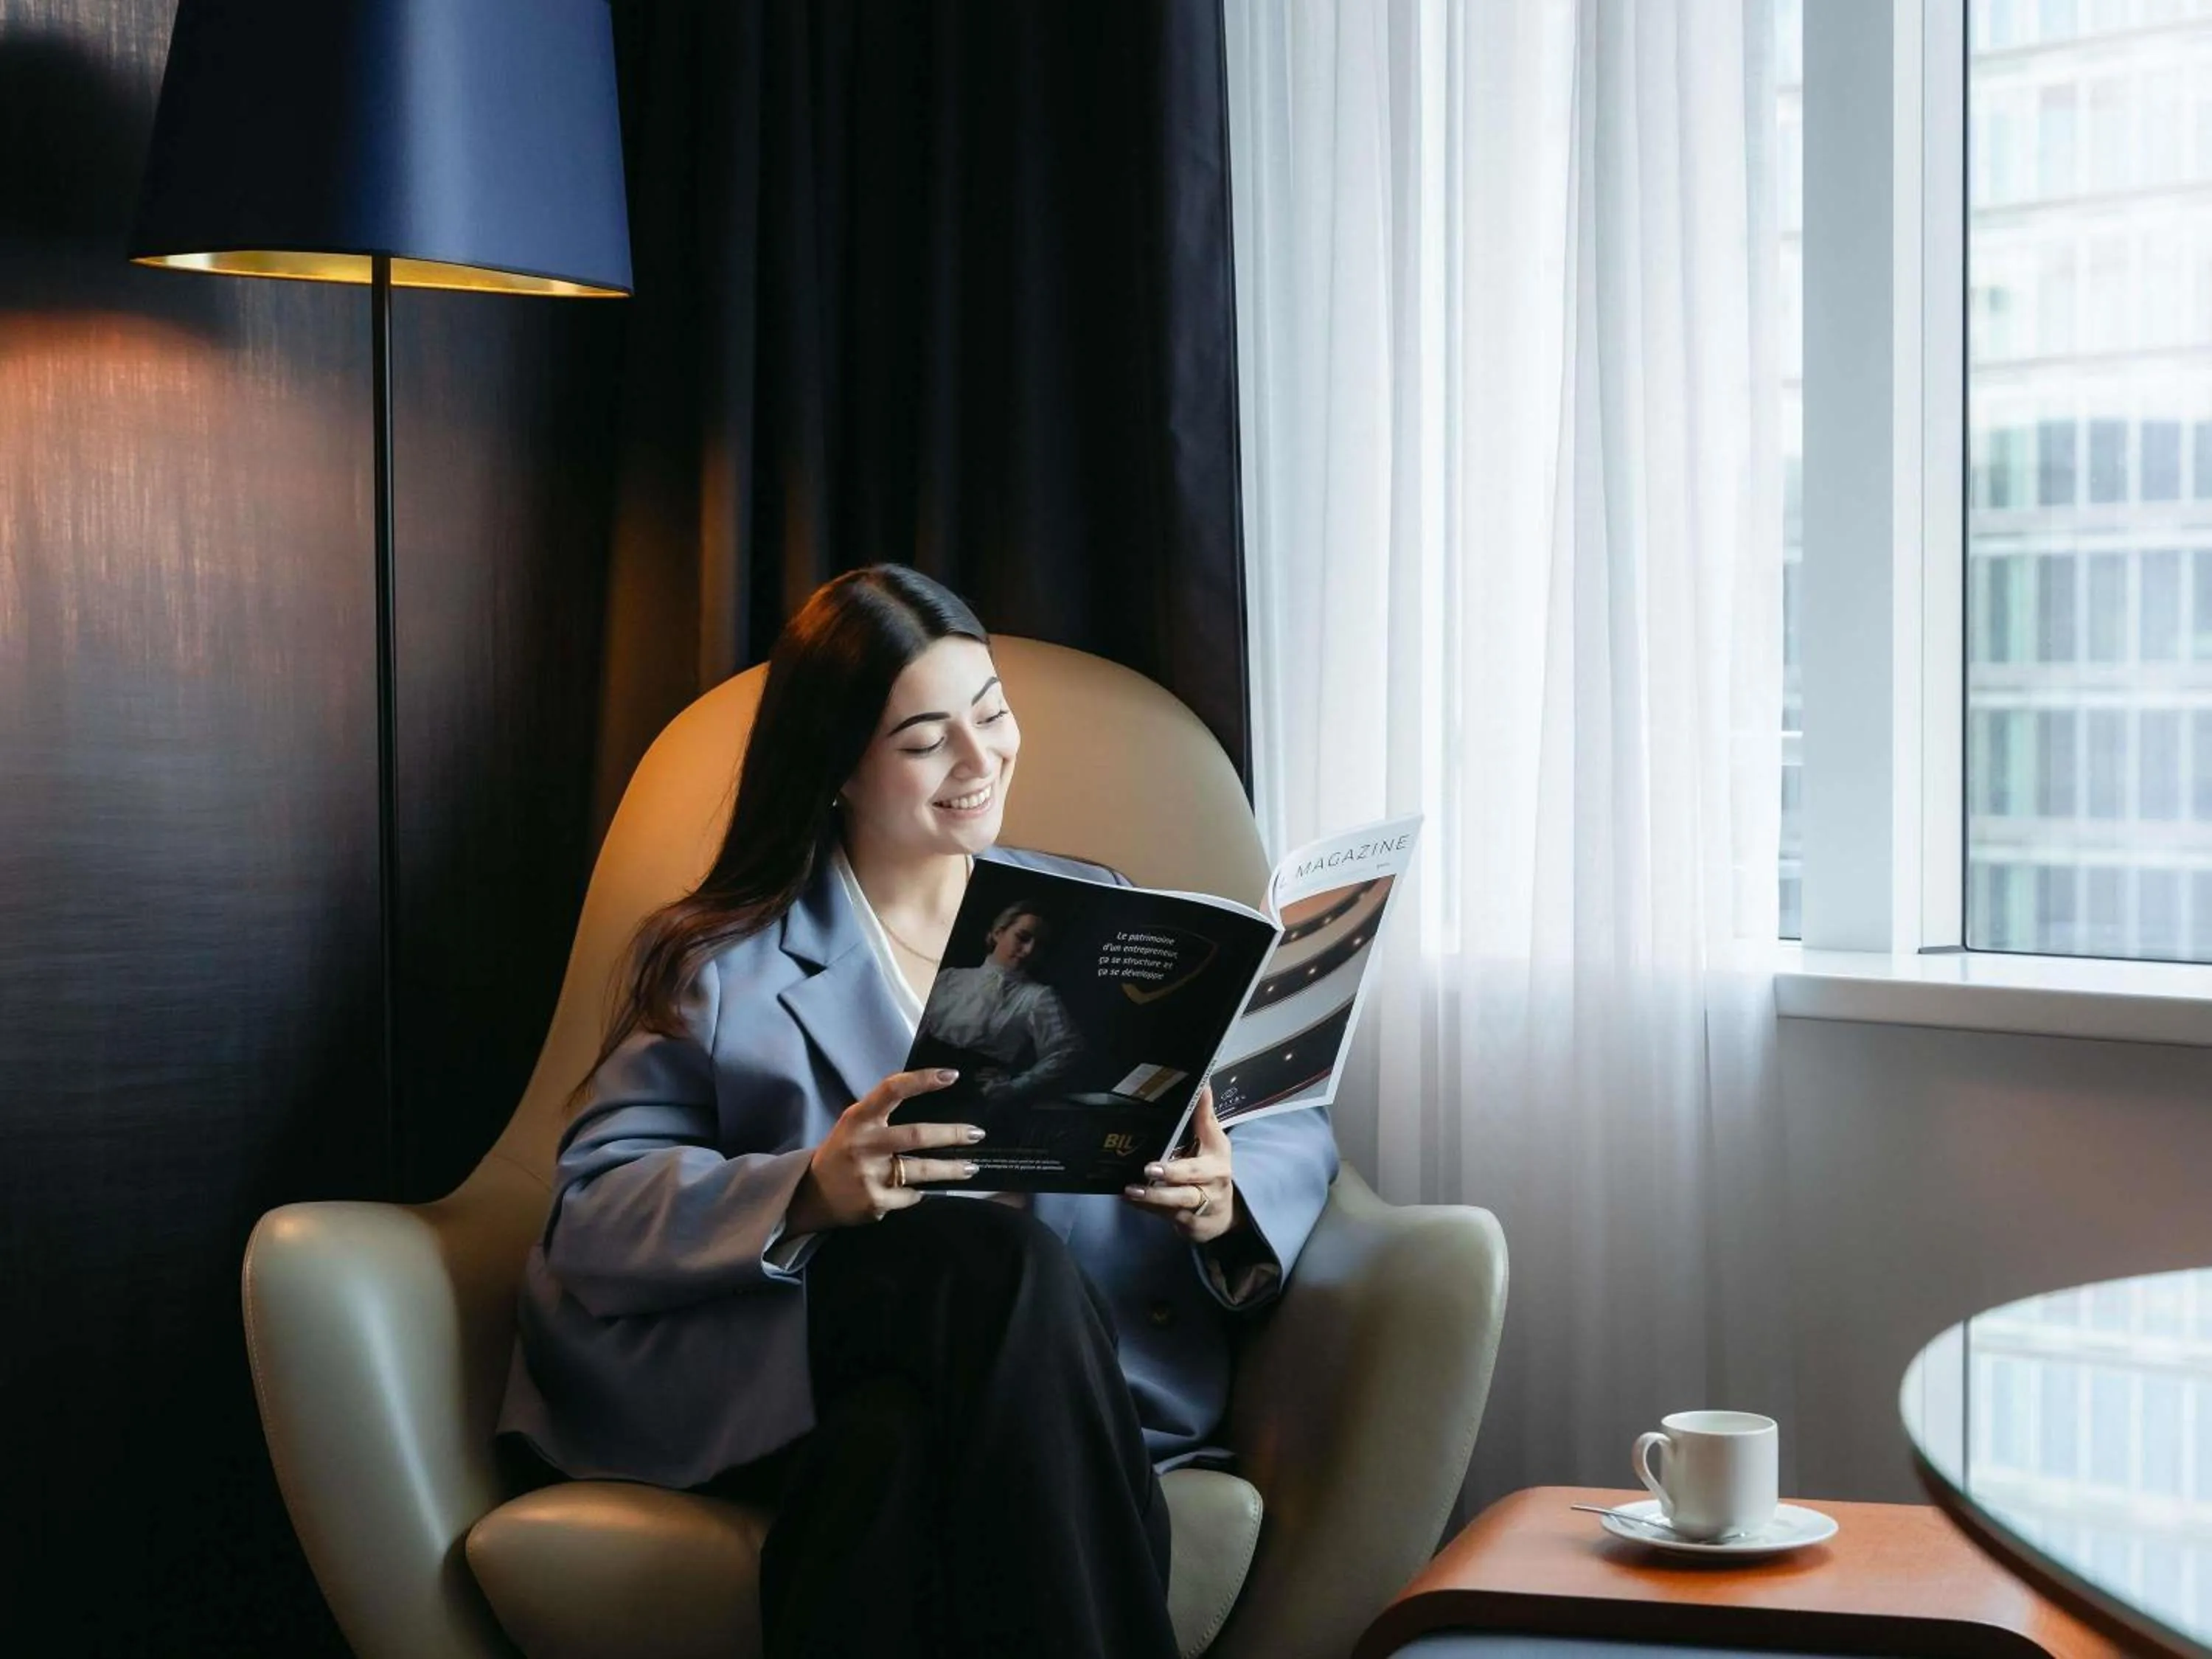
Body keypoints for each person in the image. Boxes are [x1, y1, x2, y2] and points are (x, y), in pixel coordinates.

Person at [496, 565, 1339, 1659]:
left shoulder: (1100, 919)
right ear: (839, 768)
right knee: (983, 1253)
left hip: (1008, 1384)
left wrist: (1225, 1196)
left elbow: (1285, 1118)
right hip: (793, 1358)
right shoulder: (724, 961)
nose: (981, 761)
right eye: (926, 739)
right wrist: (806, 1188)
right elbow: (592, 1211)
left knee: (886, 1456)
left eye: (992, 714)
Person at [917, 900, 1083, 1102]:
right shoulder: (950, 978)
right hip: (917, 1079)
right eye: (1023, 938)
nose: (1029, 950)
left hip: (968, 1097)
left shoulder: (1037, 997)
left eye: (1039, 946)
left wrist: (1015, 1086)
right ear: (998, 933)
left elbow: (1067, 1051)